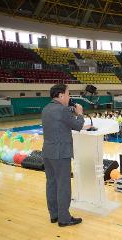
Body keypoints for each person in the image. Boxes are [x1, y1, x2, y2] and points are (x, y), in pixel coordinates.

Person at [42, 84, 90, 227]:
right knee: (63, 185)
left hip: (48, 152)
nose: (69, 97)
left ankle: (54, 215)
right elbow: (77, 125)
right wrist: (80, 113)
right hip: (60, 153)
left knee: (51, 183)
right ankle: (64, 218)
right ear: (61, 95)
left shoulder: (46, 109)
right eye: (68, 94)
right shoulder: (62, 110)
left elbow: (60, 125)